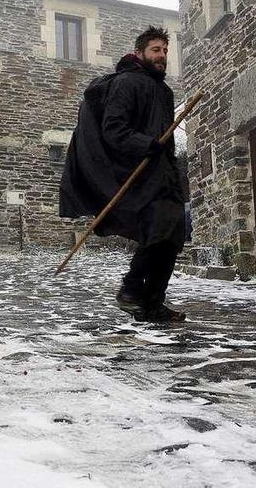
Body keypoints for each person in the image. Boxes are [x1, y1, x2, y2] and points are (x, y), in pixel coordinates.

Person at [59, 26, 186, 323]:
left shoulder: (163, 91)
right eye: (156, 50)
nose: (162, 56)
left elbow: (165, 140)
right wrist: (146, 144)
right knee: (160, 230)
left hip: (164, 174)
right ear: (140, 52)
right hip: (139, 175)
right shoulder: (126, 83)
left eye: (165, 51)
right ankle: (130, 290)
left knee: (172, 235)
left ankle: (152, 303)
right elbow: (114, 129)